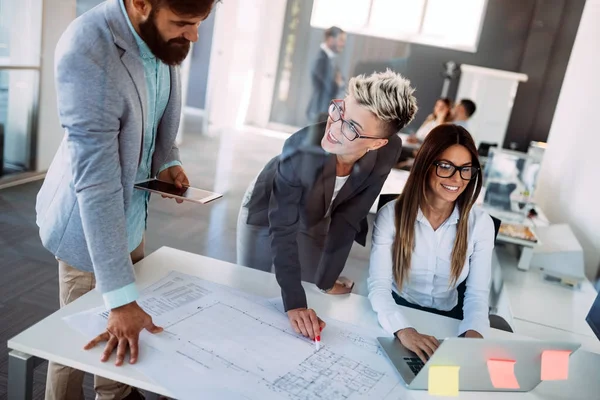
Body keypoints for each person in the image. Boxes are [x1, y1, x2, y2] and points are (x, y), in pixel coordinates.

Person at [35, 0, 217, 399]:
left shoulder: (159, 33)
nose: (194, 36)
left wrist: (167, 159)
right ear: (140, 4)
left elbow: (156, 112)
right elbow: (96, 185)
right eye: (185, 24)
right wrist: (120, 298)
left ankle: (112, 392)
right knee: (74, 340)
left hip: (131, 214)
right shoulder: (88, 49)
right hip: (87, 223)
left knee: (120, 330)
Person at [238, 70, 418, 340]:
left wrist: (325, 279)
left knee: (313, 288)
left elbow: (349, 217)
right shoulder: (300, 149)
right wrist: (295, 303)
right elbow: (283, 228)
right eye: (339, 110)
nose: (333, 127)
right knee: (253, 287)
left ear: (378, 143)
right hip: (268, 210)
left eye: (351, 128)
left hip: (319, 211)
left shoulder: (389, 150)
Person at [368, 124, 494, 363]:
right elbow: (379, 286)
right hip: (399, 311)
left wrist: (473, 338)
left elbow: (477, 296)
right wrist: (403, 330)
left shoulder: (480, 224)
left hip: (450, 319)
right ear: (426, 165)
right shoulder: (391, 215)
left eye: (465, 169)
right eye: (445, 166)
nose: (457, 179)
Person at [306, 26, 347, 123]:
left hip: (322, 112)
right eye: (341, 40)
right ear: (331, 40)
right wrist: (338, 83)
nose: (343, 44)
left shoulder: (330, 59)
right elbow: (330, 87)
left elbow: (341, 81)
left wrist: (339, 82)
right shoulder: (321, 60)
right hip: (318, 112)